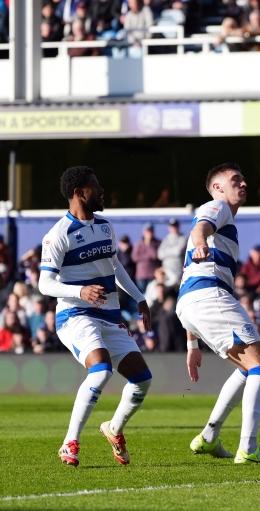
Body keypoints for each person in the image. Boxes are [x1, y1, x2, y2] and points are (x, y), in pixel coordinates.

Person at [38, 166, 152, 467]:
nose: (101, 191)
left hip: (108, 315)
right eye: (95, 186)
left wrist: (139, 298)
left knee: (142, 380)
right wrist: (80, 292)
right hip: (75, 314)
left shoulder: (105, 226)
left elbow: (116, 268)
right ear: (79, 193)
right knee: (101, 370)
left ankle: (114, 429)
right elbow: (44, 284)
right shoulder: (58, 234)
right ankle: (69, 443)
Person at [177, 162, 260, 464]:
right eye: (236, 179)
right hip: (209, 296)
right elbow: (200, 229)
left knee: (248, 369)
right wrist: (199, 244)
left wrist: (192, 345)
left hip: (192, 302)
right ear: (217, 187)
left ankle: (209, 437)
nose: (243, 183)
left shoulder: (225, 222)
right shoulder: (217, 206)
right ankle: (248, 448)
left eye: (244, 178)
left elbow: (189, 279)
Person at [157, 218, 186, 288]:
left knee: (176, 285)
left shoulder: (183, 238)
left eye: (175, 226)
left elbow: (178, 252)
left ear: (178, 227)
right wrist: (172, 251)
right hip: (166, 271)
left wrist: (166, 251)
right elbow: (159, 255)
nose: (174, 228)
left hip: (178, 271)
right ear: (169, 228)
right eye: (172, 226)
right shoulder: (166, 239)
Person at [132, 223, 160, 292]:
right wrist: (147, 257)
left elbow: (155, 255)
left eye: (150, 231)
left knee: (151, 294)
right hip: (141, 275)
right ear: (144, 232)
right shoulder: (139, 243)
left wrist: (149, 244)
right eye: (147, 231)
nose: (149, 233)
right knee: (142, 295)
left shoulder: (157, 243)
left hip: (152, 275)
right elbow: (134, 257)